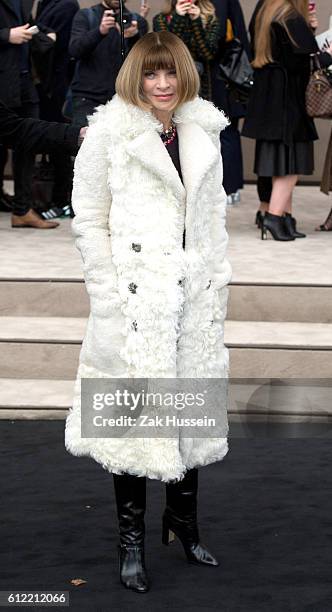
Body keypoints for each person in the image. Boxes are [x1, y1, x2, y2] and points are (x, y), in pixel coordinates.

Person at [65, 31, 232, 593]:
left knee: (186, 411)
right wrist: (106, 290)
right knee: (131, 423)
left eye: (170, 74)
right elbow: (88, 218)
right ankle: (130, 539)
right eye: (150, 75)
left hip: (193, 297)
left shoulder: (204, 128)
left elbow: (211, 219)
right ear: (134, 78)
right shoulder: (108, 133)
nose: (162, 86)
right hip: (135, 301)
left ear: (185, 75)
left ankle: (182, 524)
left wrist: (215, 278)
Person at [242, 0, 332, 241]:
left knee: (282, 162)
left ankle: (283, 217)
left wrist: (309, 32)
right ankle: (274, 216)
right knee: (291, 166)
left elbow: (282, 52)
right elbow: (300, 65)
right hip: (287, 100)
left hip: (269, 95)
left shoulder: (265, 8)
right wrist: (327, 56)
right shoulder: (291, 16)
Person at [153, 0, 249, 204]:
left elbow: (207, 52)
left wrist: (197, 21)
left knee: (208, 138)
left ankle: (215, 188)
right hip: (171, 90)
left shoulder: (210, 19)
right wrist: (178, 17)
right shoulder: (162, 19)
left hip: (205, 89)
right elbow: (168, 48)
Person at [0, 0, 59, 229]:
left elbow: (31, 26)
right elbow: (12, 32)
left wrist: (46, 36)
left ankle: (22, 209)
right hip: (4, 81)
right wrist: (6, 35)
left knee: (28, 143)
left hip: (24, 81)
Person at [68, 0, 148, 128]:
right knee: (85, 144)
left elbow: (144, 62)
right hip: (87, 98)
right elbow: (75, 51)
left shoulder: (136, 21)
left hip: (124, 100)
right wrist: (100, 31)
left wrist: (133, 37)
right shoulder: (86, 15)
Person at [35, 0, 79, 218]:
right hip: (46, 84)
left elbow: (58, 49)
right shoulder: (46, 3)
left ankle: (61, 200)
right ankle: (56, 199)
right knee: (51, 143)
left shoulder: (67, 5)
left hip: (56, 86)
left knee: (59, 143)